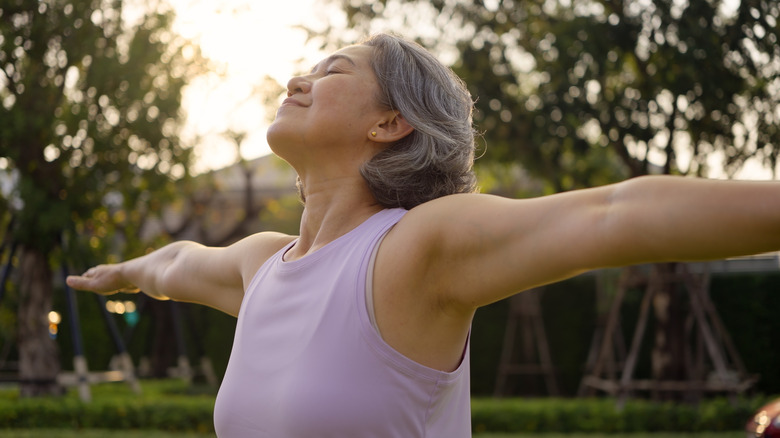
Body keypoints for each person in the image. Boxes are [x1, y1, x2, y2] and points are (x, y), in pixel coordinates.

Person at [66, 33, 780, 437]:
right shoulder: (262, 266)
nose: (298, 79)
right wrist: (121, 272)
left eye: (332, 71)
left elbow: (611, 215)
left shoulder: (414, 250)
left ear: (389, 123)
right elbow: (178, 262)